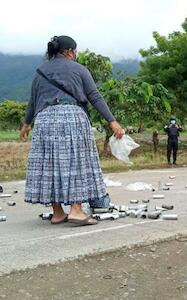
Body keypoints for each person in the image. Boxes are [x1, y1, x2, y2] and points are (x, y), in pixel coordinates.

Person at [20, 35, 124, 226]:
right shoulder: (79, 69)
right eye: (75, 51)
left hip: (44, 120)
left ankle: (58, 212)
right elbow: (94, 96)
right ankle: (76, 210)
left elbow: (33, 102)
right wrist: (112, 121)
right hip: (72, 117)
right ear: (69, 51)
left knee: (49, 165)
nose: (75, 55)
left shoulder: (39, 72)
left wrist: (26, 124)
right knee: (77, 162)